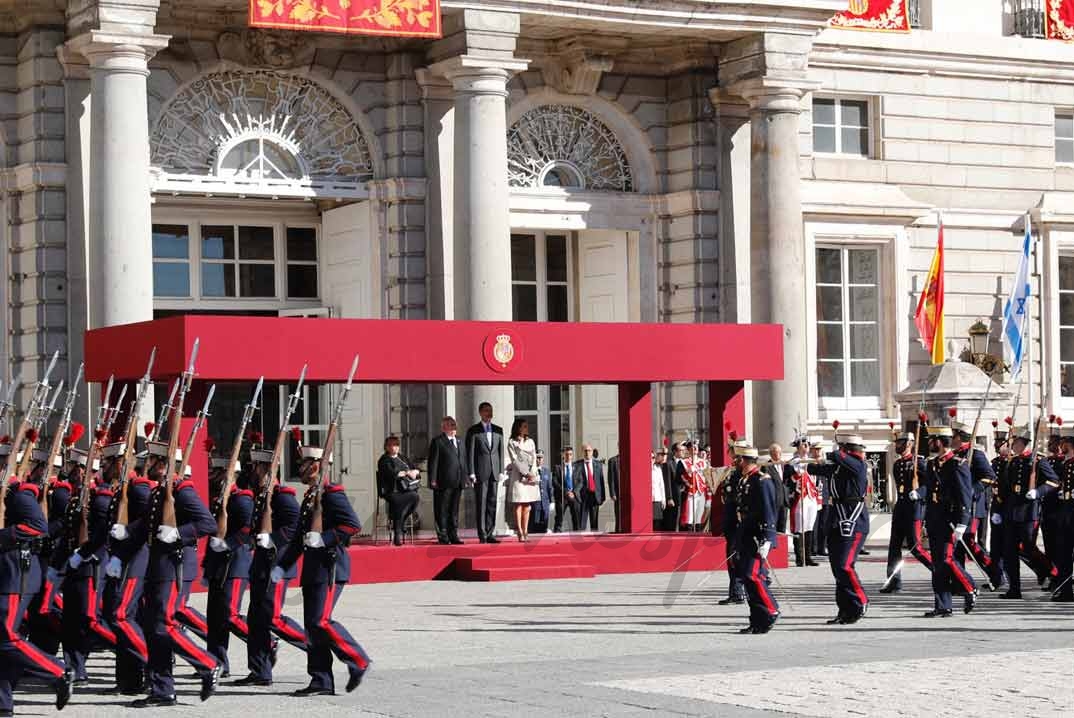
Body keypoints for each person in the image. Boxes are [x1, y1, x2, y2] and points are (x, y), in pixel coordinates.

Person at [272, 439, 369, 697]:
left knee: (321, 622)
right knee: (313, 626)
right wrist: (282, 566)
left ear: (316, 466)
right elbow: (297, 542)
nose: (300, 468)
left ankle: (357, 659)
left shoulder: (332, 494)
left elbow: (352, 525)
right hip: (314, 571)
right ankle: (320, 679)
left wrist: (324, 538)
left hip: (331, 568)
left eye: (304, 463)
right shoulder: (310, 499)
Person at [133, 442, 220, 706]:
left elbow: (208, 523)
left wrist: (178, 534)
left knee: (164, 625)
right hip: (158, 567)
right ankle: (163, 689)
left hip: (175, 566)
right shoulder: (160, 492)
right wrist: (125, 537)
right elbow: (145, 523)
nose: (146, 465)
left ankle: (208, 663)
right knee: (153, 628)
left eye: (151, 461)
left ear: (162, 463)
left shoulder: (183, 492)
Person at [0, 437, 73, 716]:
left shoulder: (19, 494)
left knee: (6, 637)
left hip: (15, 576)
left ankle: (57, 671)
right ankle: (3, 703)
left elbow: (37, 527)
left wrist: (3, 537)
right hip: (6, 575)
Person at [234, 443, 306, 687]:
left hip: (277, 565)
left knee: (273, 618)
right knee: (256, 620)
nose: (252, 471)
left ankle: (314, 646)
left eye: (256, 466)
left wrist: (272, 539)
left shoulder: (283, 496)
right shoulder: (260, 497)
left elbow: (296, 527)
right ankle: (260, 671)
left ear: (265, 468)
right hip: (261, 565)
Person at [54, 442, 119, 682]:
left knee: (89, 620)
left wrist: (88, 554)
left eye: (80, 468)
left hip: (92, 566)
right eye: (74, 467)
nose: (75, 472)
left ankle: (130, 650)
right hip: (74, 565)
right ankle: (75, 669)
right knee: (71, 621)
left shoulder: (99, 498)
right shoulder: (75, 497)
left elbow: (103, 533)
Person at [103, 443, 157, 697]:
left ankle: (153, 664)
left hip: (135, 559)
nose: (104, 467)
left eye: (108, 462)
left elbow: (150, 519)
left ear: (119, 463)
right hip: (119, 560)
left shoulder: (139, 488)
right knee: (124, 617)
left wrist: (129, 531)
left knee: (120, 615)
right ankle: (129, 678)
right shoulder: (120, 490)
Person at [202, 451, 255, 678]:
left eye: (217, 472)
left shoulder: (242, 499)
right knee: (214, 618)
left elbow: (247, 529)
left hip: (235, 565)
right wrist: (208, 564)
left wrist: (228, 545)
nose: (212, 476)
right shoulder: (219, 499)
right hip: (218, 566)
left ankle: (265, 641)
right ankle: (216, 662)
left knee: (230, 615)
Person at [809, 433, 869, 625]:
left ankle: (860, 599)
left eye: (843, 448)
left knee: (845, 565)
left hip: (854, 519)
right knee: (837, 569)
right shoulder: (840, 467)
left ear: (850, 451)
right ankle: (845, 609)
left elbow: (837, 457)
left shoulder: (858, 465)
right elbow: (814, 468)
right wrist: (800, 461)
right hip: (837, 520)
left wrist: (833, 452)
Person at [995, 425, 1059, 599]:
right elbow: (1005, 488)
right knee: (1009, 552)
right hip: (1011, 511)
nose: (1012, 445)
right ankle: (1014, 589)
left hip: (1028, 511)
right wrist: (999, 510)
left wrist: (1038, 492)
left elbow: (1053, 482)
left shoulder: (1038, 460)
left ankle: (1053, 573)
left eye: (1014, 442)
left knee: (1029, 548)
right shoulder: (1012, 461)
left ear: (1022, 443)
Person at [919, 426, 978, 617]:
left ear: (940, 441)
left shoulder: (957, 464)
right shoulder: (932, 464)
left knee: (946, 559)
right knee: (938, 564)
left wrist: (962, 522)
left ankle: (970, 587)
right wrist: (926, 520)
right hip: (936, 520)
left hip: (951, 520)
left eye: (932, 440)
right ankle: (943, 605)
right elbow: (929, 494)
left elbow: (964, 496)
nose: (929, 443)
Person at [950, 419, 1002, 589]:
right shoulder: (956, 455)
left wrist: (972, 490)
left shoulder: (976, 454)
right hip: (959, 506)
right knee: (958, 545)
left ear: (960, 437)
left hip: (973, 506)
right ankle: (960, 581)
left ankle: (995, 573)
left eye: (954, 436)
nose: (951, 439)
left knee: (970, 542)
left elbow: (989, 476)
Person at [734, 446, 780, 634]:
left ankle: (770, 609)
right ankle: (758, 620)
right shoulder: (746, 479)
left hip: (757, 536)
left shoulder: (762, 481)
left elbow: (769, 509)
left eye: (738, 459)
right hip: (746, 534)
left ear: (745, 460)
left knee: (752, 575)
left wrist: (768, 538)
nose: (735, 463)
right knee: (748, 578)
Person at [879, 432, 932, 593]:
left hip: (914, 509)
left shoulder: (919, 462)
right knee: (894, 546)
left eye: (900, 443)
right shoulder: (897, 464)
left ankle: (941, 573)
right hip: (901, 507)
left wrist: (920, 493)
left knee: (915, 547)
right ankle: (893, 580)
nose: (897, 446)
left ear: (909, 444)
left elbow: (930, 484)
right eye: (897, 443)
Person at [466, 402, 505, 543]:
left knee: (492, 503)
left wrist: (501, 470)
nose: (489, 413)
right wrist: (471, 472)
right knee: (481, 503)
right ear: (480, 412)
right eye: (487, 411)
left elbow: (500, 451)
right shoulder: (473, 430)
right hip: (480, 472)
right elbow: (470, 453)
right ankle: (482, 534)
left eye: (491, 410)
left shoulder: (498, 430)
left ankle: (490, 532)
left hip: (494, 472)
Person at [426, 417, 466, 545]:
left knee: (454, 510)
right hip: (443, 482)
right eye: (451, 425)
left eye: (455, 425)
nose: (454, 427)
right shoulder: (438, 441)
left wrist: (465, 477)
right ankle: (443, 535)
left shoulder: (459, 440)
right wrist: (432, 480)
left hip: (457, 481)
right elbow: (433, 462)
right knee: (442, 509)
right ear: (444, 427)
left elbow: (463, 460)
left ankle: (453, 534)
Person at [718, 441, 748, 605]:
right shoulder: (732, 474)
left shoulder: (741, 476)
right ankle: (735, 592)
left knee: (736, 558)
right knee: (732, 558)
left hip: (739, 523)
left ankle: (738, 592)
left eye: (736, 456)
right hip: (731, 523)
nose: (733, 459)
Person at [376, 436, 421, 546]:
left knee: (415, 497)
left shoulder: (402, 457)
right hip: (391, 490)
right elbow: (391, 473)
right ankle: (398, 532)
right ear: (386, 447)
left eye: (396, 445)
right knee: (399, 502)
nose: (394, 448)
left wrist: (415, 471)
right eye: (391, 445)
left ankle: (399, 526)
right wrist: (406, 473)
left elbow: (413, 468)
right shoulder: (384, 459)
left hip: (405, 489)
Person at [786, 436, 820, 568]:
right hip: (800, 496)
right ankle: (800, 558)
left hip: (811, 496)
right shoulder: (794, 462)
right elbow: (791, 478)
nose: (806, 446)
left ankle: (808, 556)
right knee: (799, 527)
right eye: (803, 444)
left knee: (809, 526)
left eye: (807, 444)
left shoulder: (811, 461)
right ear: (798, 447)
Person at [506, 419, 540, 542]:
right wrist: (525, 473)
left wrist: (533, 473)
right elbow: (514, 460)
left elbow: (534, 457)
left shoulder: (530, 442)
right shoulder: (512, 442)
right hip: (518, 477)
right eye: (524, 426)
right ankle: (519, 531)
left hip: (530, 475)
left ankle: (526, 531)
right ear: (518, 428)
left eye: (527, 426)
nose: (527, 428)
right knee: (519, 503)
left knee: (527, 504)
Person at [988, 422, 1011, 590]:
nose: (997, 446)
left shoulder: (1012, 462)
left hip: (1009, 508)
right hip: (996, 506)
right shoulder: (995, 462)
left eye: (1000, 443)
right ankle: (997, 577)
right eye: (996, 444)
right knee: (995, 546)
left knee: (1009, 546)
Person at [1053, 427, 1074, 602]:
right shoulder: (1066, 463)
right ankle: (1066, 590)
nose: (1062, 446)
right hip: (1066, 511)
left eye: (1064, 443)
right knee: (1064, 552)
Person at [677, 442, 710, 532]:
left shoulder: (703, 462)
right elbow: (679, 477)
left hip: (701, 491)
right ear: (688, 449)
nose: (695, 448)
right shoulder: (683, 462)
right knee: (690, 516)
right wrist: (687, 479)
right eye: (692, 446)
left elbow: (707, 476)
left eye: (696, 447)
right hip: (690, 491)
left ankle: (699, 533)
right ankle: (690, 533)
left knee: (699, 516)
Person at [573, 444, 606, 531]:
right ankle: (581, 541)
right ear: (582, 452)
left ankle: (594, 541)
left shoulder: (598, 465)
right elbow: (575, 482)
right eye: (585, 451)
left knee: (594, 523)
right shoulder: (577, 465)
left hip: (595, 496)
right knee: (582, 523)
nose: (587, 453)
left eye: (589, 450)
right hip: (582, 497)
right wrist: (576, 495)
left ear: (592, 452)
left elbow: (601, 481)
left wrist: (602, 497)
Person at [808, 438, 831, 557]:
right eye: (815, 450)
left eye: (819, 450)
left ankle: (823, 547)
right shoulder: (808, 463)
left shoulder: (825, 463)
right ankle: (813, 547)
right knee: (814, 523)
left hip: (825, 496)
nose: (817, 452)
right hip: (813, 496)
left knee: (824, 523)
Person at [529, 451, 553, 535]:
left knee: (544, 526)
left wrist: (551, 500)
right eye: (537, 458)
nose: (539, 460)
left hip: (545, 502)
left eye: (541, 458)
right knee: (535, 526)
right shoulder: (531, 470)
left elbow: (549, 487)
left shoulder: (546, 471)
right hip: (535, 502)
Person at [656, 447, 677, 531]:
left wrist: (669, 497)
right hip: (658, 496)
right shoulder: (657, 466)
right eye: (662, 454)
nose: (664, 456)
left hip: (666, 496)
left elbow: (668, 483)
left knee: (667, 520)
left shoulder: (667, 465)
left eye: (665, 454)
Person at [651, 451, 666, 532]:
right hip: (647, 500)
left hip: (657, 498)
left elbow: (661, 485)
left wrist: (663, 499)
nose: (651, 459)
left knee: (657, 522)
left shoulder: (658, 469)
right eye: (650, 457)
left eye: (653, 457)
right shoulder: (643, 470)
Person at [607, 454, 621, 533]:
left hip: (628, 492)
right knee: (618, 514)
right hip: (618, 492)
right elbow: (610, 478)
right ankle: (618, 531)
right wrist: (612, 493)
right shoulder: (612, 460)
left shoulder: (630, 458)